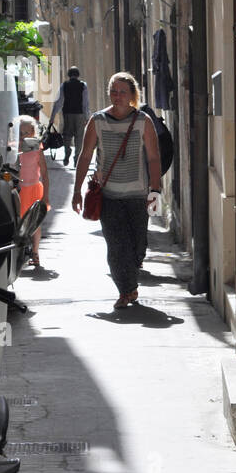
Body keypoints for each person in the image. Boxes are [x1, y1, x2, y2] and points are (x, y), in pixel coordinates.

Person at [71, 72, 162, 310]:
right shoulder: (97, 121)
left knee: (137, 246)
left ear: (132, 95)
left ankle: (129, 282)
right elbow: (85, 156)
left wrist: (155, 191)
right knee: (116, 245)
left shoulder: (143, 121)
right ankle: (126, 290)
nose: (117, 96)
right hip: (109, 195)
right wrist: (77, 190)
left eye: (122, 92)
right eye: (114, 91)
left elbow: (153, 158)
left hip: (137, 195)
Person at [18, 117, 49, 267]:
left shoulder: (36, 148)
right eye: (20, 132)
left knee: (34, 224)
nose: (22, 135)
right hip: (18, 190)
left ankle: (35, 252)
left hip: (33, 189)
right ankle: (18, 251)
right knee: (18, 222)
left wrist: (46, 195)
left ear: (33, 133)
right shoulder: (12, 147)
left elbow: (44, 172)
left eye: (26, 132)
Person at [50, 65, 90, 166]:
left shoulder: (64, 85)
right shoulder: (83, 85)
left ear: (69, 75)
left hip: (67, 114)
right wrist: (87, 117)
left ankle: (67, 153)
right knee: (79, 137)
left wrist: (52, 117)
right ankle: (77, 159)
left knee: (67, 136)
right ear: (78, 75)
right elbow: (85, 103)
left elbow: (58, 102)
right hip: (80, 114)